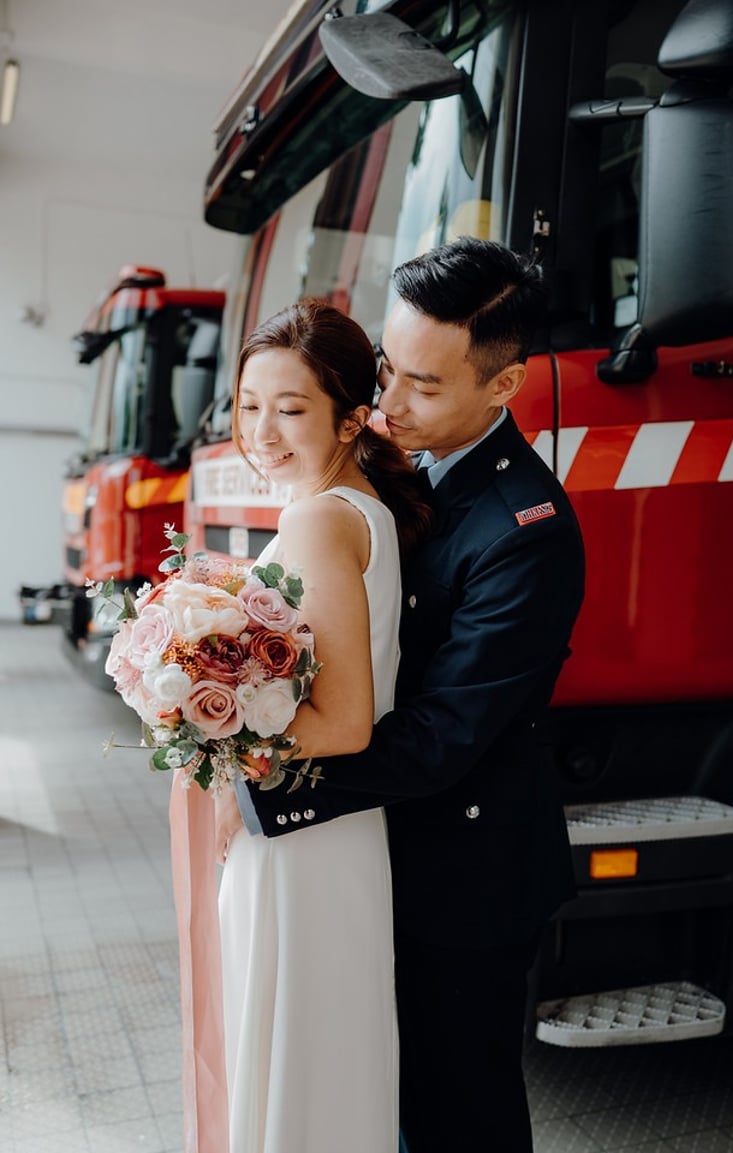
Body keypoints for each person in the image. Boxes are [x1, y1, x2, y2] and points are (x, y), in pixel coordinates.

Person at [223, 237, 586, 1153]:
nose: (387, 402)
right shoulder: (395, 469)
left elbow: (443, 733)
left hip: (467, 871)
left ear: (504, 386)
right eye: (387, 368)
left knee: (457, 1113)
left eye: (423, 384)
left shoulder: (526, 529)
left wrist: (264, 772)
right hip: (381, 845)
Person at [217, 299, 431, 1153]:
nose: (261, 432)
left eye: (290, 409)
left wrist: (216, 734)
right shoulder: (355, 506)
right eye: (249, 406)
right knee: (321, 1058)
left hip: (303, 833)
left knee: (297, 1052)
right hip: (333, 830)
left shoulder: (319, 517)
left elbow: (343, 722)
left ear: (350, 419)